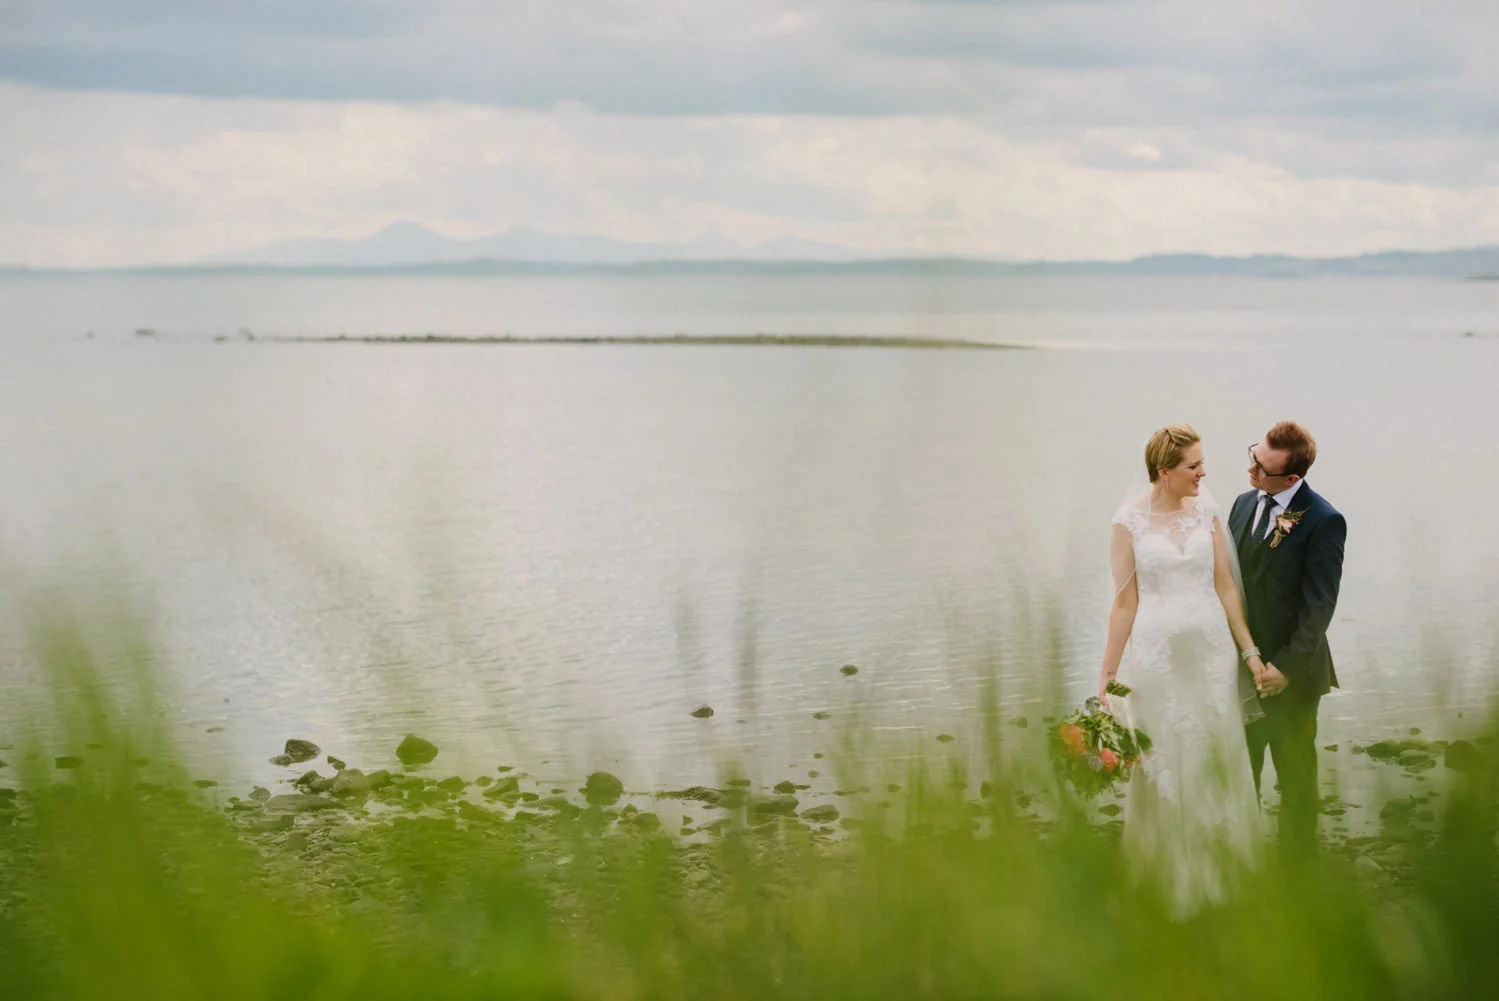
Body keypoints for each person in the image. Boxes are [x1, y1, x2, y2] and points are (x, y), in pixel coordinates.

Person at [1098, 424, 1265, 913]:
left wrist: (1249, 651)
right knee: (1165, 754)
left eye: (1201, 463)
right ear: (1164, 471)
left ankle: (1227, 871)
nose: (1203, 473)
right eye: (1193, 466)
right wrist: (1108, 674)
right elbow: (1125, 603)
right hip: (1156, 656)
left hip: (1210, 654)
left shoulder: (1207, 513)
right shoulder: (1127, 523)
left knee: (1216, 748)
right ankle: (1166, 874)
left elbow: (1226, 587)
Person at [1229, 422, 1346, 857]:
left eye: (1261, 466)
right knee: (1245, 769)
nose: (1250, 468)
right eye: (1253, 455)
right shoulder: (1242, 504)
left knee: (1295, 774)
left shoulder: (1324, 520)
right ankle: (1245, 857)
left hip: (1292, 676)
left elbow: (1320, 606)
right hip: (1243, 668)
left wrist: (1285, 669)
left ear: (1292, 479)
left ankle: (1298, 866)